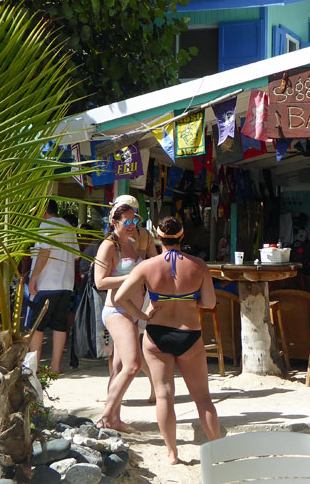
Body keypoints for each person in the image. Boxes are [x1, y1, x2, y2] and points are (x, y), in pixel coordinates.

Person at [114, 217, 221, 464]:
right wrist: (188, 299)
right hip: (189, 333)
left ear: (158, 238)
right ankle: (217, 449)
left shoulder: (147, 266)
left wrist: (143, 315)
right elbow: (209, 303)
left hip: (157, 333)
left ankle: (172, 453)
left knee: (164, 395)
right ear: (182, 237)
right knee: (203, 398)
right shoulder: (198, 265)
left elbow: (120, 297)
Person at [95, 196, 157, 432]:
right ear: (114, 222)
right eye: (127, 221)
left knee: (120, 368)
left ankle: (115, 419)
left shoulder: (133, 242)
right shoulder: (109, 246)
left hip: (134, 310)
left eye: (134, 220)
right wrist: (131, 278)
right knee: (133, 365)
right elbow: (100, 282)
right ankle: (107, 417)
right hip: (117, 311)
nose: (131, 225)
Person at [26, 199, 78, 373]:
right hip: (66, 283)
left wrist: (33, 278)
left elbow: (44, 252)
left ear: (43, 210)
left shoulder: (46, 225)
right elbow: (76, 255)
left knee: (37, 326)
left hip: (47, 283)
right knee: (59, 325)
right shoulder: (68, 227)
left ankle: (35, 365)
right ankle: (55, 366)